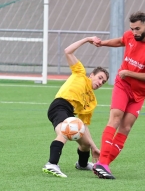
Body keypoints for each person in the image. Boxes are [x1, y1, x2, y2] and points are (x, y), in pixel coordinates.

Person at [91, 11, 145, 179]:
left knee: (126, 127)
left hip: (140, 93)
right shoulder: (130, 36)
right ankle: (102, 163)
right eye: (132, 29)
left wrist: (129, 73)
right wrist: (102, 43)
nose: (134, 33)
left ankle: (103, 164)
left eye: (137, 29)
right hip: (123, 85)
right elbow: (120, 41)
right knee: (115, 118)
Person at [42, 37, 109, 178]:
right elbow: (68, 51)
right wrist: (87, 39)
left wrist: (94, 147)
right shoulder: (80, 73)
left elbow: (84, 124)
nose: (100, 82)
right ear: (91, 75)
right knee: (65, 132)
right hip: (59, 106)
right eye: (100, 78)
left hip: (70, 113)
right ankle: (51, 164)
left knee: (85, 144)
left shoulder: (92, 101)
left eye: (103, 82)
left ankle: (82, 164)